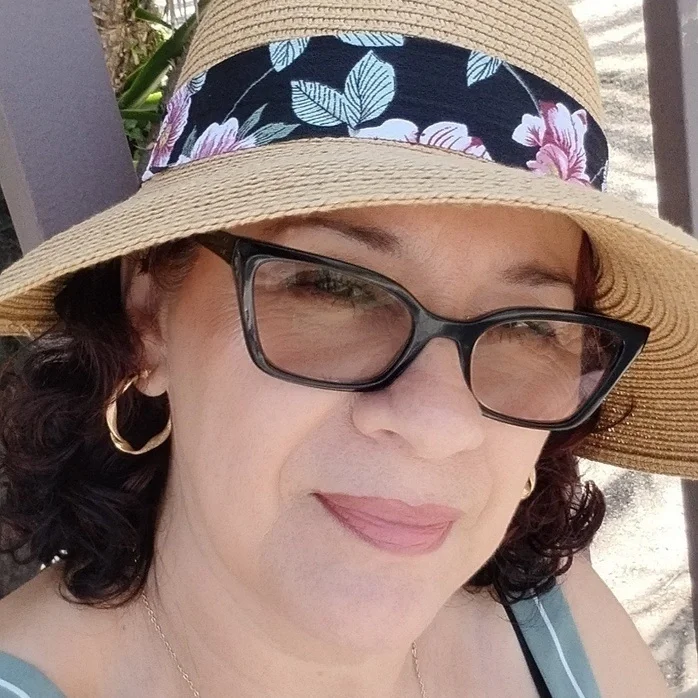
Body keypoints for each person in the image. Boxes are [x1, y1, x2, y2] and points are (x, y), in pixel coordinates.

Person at [0, 0, 691, 695]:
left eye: (528, 327)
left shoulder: (547, 611)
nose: (438, 425)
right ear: (148, 314)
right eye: (335, 288)